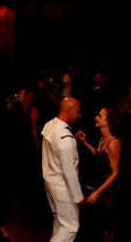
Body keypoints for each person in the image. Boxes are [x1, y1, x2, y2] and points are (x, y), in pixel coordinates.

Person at [75, 107, 123, 242]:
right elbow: (99, 155)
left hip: (109, 193)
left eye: (100, 116)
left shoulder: (113, 143)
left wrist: (98, 193)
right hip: (100, 188)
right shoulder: (103, 138)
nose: (96, 117)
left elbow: (115, 173)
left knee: (106, 231)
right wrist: (84, 142)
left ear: (108, 121)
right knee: (95, 229)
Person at [41, 97, 84, 242]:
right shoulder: (64, 136)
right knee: (70, 227)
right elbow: (68, 171)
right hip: (62, 187)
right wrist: (79, 197)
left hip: (50, 183)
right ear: (68, 110)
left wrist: (73, 140)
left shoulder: (51, 125)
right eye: (77, 112)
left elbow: (55, 150)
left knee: (60, 223)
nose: (79, 115)